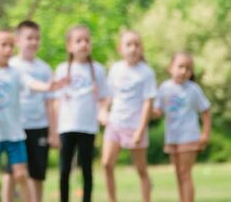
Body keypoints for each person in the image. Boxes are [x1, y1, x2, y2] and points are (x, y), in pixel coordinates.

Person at [0, 30, 66, 202]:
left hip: (14, 134)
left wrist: (48, 87)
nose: (8, 49)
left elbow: (32, 84)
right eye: (3, 45)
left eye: (11, 46)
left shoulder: (17, 73)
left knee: (20, 175)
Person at [1, 20, 57, 202]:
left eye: (37, 38)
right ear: (18, 40)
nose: (33, 42)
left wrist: (53, 132)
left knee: (37, 174)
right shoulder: (11, 66)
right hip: (15, 128)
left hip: (39, 126)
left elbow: (50, 103)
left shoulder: (45, 69)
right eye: (29, 38)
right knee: (11, 172)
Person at [54, 25, 110, 202]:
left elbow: (105, 97)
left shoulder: (98, 70)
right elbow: (56, 100)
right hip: (67, 126)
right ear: (70, 46)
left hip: (88, 127)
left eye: (87, 40)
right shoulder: (62, 69)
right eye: (78, 41)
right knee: (64, 169)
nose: (83, 44)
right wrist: (54, 129)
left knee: (86, 168)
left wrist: (103, 111)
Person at [101, 30, 157, 202]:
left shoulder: (146, 72)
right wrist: (103, 111)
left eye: (137, 45)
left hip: (135, 127)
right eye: (129, 45)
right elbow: (108, 95)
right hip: (115, 123)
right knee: (106, 164)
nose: (133, 49)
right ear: (120, 49)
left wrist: (140, 130)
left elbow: (148, 103)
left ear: (141, 48)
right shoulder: (115, 69)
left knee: (141, 169)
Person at [152, 52, 211, 202]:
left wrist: (205, 134)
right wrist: (143, 108)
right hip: (172, 137)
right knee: (178, 174)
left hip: (189, 136)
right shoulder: (164, 88)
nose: (184, 71)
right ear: (170, 68)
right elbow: (157, 111)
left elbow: (205, 111)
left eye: (188, 68)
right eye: (180, 66)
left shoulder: (193, 89)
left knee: (185, 174)